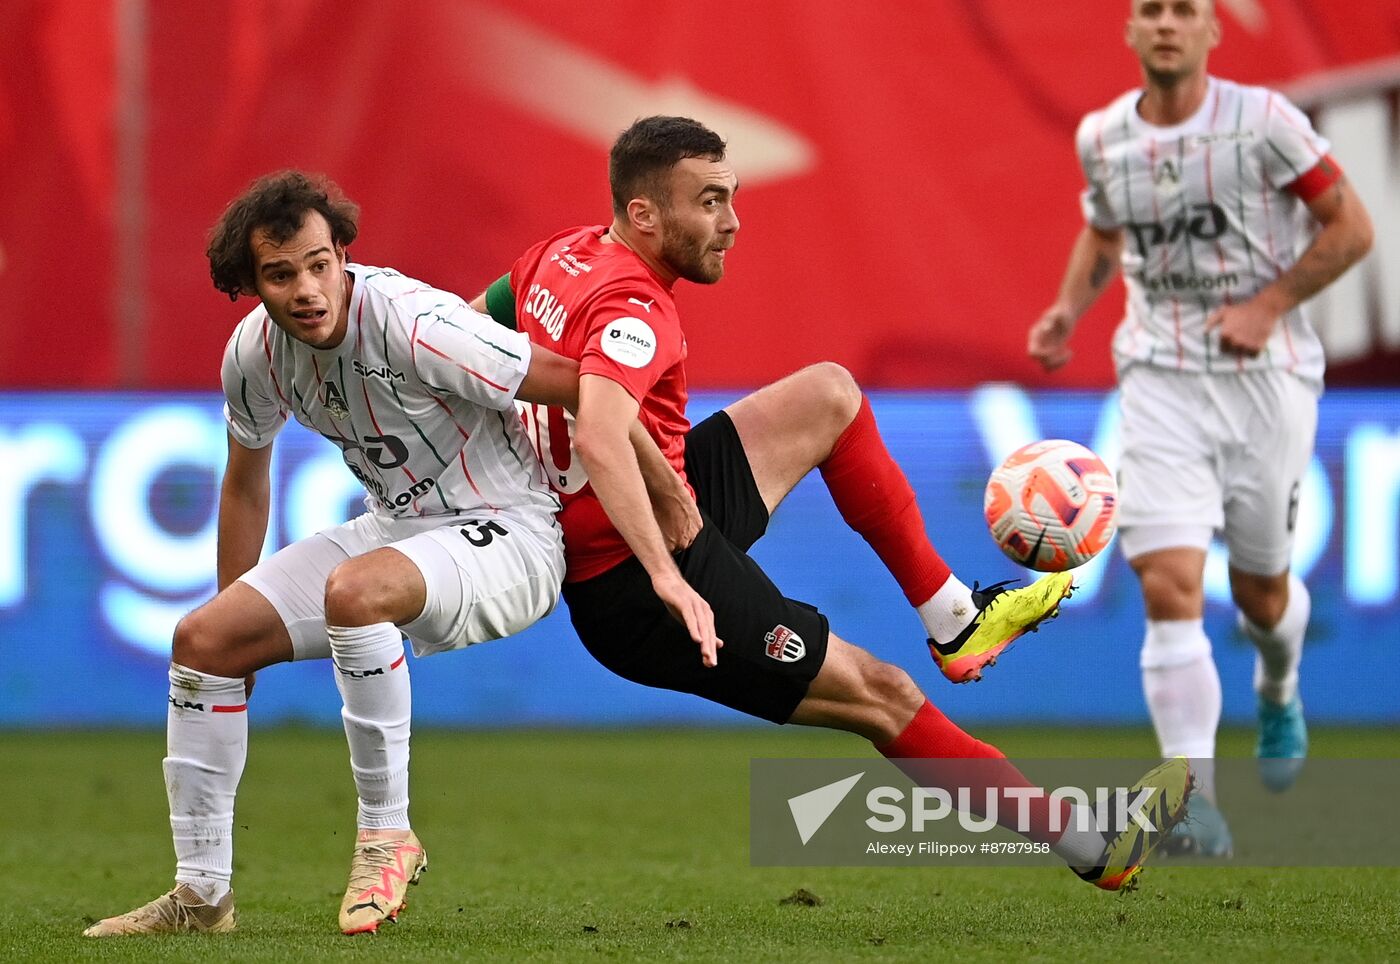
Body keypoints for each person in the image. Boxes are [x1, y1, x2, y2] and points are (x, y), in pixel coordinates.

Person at [473, 115, 1191, 892]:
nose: (733, 223)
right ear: (644, 214)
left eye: (732, 197)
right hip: (642, 589)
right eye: (709, 202)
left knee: (829, 395)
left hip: (666, 500)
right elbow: (606, 440)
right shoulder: (636, 313)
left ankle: (955, 618)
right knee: (883, 698)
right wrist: (669, 575)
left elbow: (467, 330)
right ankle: (1094, 848)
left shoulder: (559, 254)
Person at [84, 171, 686, 937]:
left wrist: (664, 484)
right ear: (251, 286)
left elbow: (580, 383)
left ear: (342, 255)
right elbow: (243, 488)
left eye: (317, 263)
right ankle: (201, 899)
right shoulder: (254, 356)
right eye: (279, 274)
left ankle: (386, 834)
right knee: (203, 641)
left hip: (511, 530)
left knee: (355, 593)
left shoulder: (415, 322)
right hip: (396, 528)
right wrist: (239, 632)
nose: (305, 288)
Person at [1027, 0, 1373, 856]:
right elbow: (1105, 231)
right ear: (1132, 31)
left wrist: (1268, 306)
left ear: (1213, 30)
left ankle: (1280, 683)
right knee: (1167, 584)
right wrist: (1070, 310)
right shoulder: (1103, 135)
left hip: (1268, 381)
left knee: (1261, 595)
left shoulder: (1266, 123)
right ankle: (1194, 798)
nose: (1168, 24)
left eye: (1186, 10)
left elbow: (1353, 228)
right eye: (1152, 10)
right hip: (1160, 379)